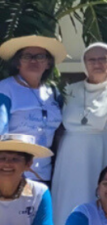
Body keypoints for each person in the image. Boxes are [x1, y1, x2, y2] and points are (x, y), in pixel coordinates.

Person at [53, 43, 107, 225]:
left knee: (93, 199)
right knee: (66, 200)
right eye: (91, 59)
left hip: (100, 154)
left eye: (102, 59)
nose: (97, 63)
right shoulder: (69, 91)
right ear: (84, 63)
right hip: (69, 156)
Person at [0, 36, 65, 183]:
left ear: (48, 64)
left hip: (44, 172)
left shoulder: (53, 93)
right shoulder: (5, 89)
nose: (33, 61)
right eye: (27, 56)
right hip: (12, 172)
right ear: (17, 63)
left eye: (40, 57)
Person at [0, 135, 57, 225]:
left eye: (15, 159)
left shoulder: (40, 191)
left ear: (28, 164)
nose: (7, 164)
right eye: (2, 158)